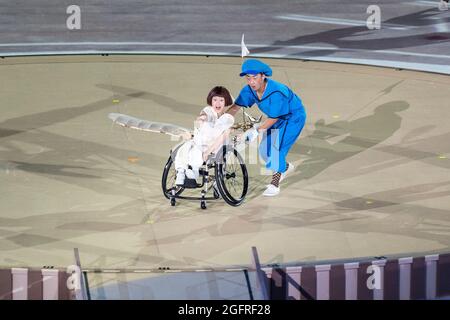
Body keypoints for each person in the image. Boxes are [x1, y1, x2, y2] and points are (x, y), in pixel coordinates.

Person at [227, 59, 306, 196]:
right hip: (275, 118)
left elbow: (274, 117)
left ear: (263, 76)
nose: (251, 82)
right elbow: (235, 108)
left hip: (293, 118)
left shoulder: (277, 92)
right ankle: (285, 167)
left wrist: (256, 131)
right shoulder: (249, 90)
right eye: (248, 78)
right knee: (264, 151)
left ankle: (275, 184)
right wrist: (221, 119)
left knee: (276, 150)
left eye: (255, 77)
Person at [174, 86, 234, 186]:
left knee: (198, 152)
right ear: (211, 100)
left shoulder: (228, 119)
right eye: (215, 100)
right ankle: (181, 172)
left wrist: (208, 151)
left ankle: (193, 171)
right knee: (184, 148)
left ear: (226, 102)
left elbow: (222, 138)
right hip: (200, 141)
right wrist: (200, 120)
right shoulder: (208, 111)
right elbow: (204, 117)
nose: (217, 103)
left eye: (221, 100)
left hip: (215, 146)